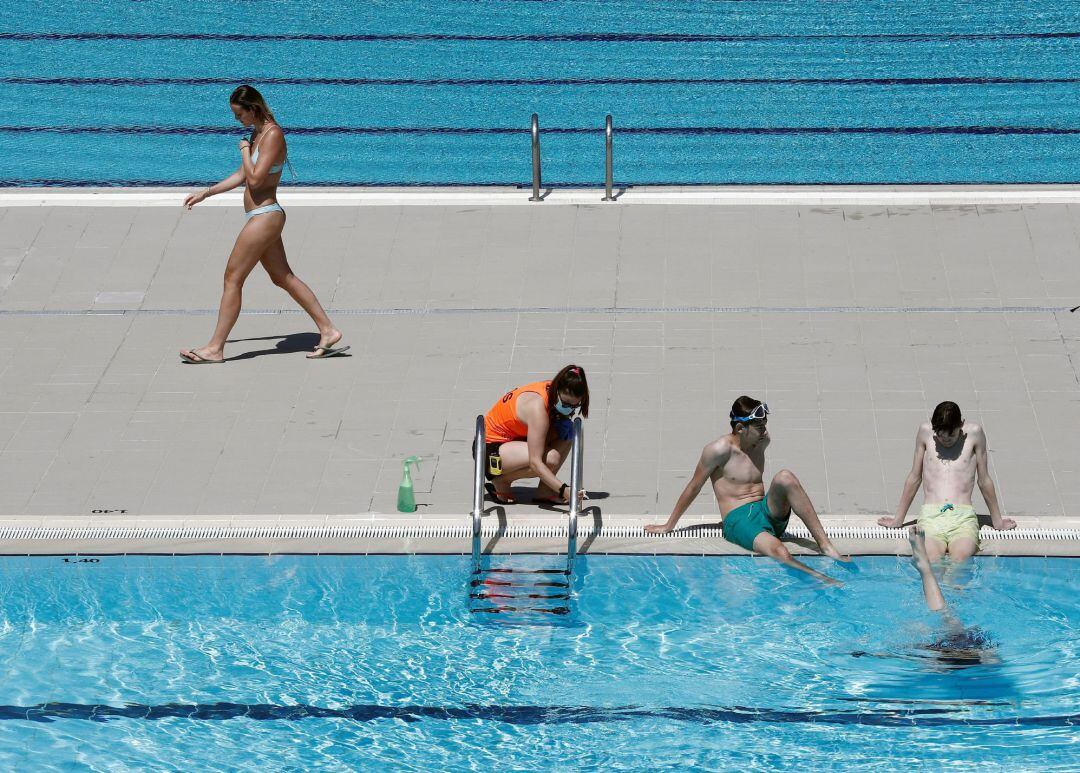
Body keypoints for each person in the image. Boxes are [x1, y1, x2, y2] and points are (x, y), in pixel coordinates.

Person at [180, 85, 345, 363]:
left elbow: (254, 179)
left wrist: (245, 150)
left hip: (266, 215)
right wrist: (205, 193)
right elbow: (240, 175)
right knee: (283, 277)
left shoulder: (273, 135)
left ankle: (215, 348)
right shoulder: (259, 134)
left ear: (253, 109)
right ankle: (328, 330)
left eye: (238, 114)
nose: (237, 120)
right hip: (260, 216)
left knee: (233, 278)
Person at [646, 396, 849, 584]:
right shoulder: (718, 451)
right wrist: (669, 525)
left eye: (765, 425)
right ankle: (820, 580)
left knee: (785, 476)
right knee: (780, 550)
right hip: (739, 521)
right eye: (759, 427)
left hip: (766, 512)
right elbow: (694, 486)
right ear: (741, 427)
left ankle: (826, 546)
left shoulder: (762, 442)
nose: (764, 431)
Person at [877, 401, 1015, 562]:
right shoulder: (925, 432)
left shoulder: (975, 434)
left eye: (952, 435)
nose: (946, 440)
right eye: (941, 435)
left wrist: (997, 522)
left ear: (961, 425)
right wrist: (897, 520)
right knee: (932, 561)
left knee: (960, 561)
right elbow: (915, 477)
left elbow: (984, 480)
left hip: (963, 517)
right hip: (931, 516)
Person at [481, 365, 589, 506]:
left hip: (514, 441)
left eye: (575, 406)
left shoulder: (553, 388)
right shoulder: (537, 409)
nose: (569, 409)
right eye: (566, 403)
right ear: (557, 390)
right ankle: (501, 480)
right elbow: (535, 462)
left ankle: (544, 492)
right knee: (551, 458)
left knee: (567, 434)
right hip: (488, 451)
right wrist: (564, 490)